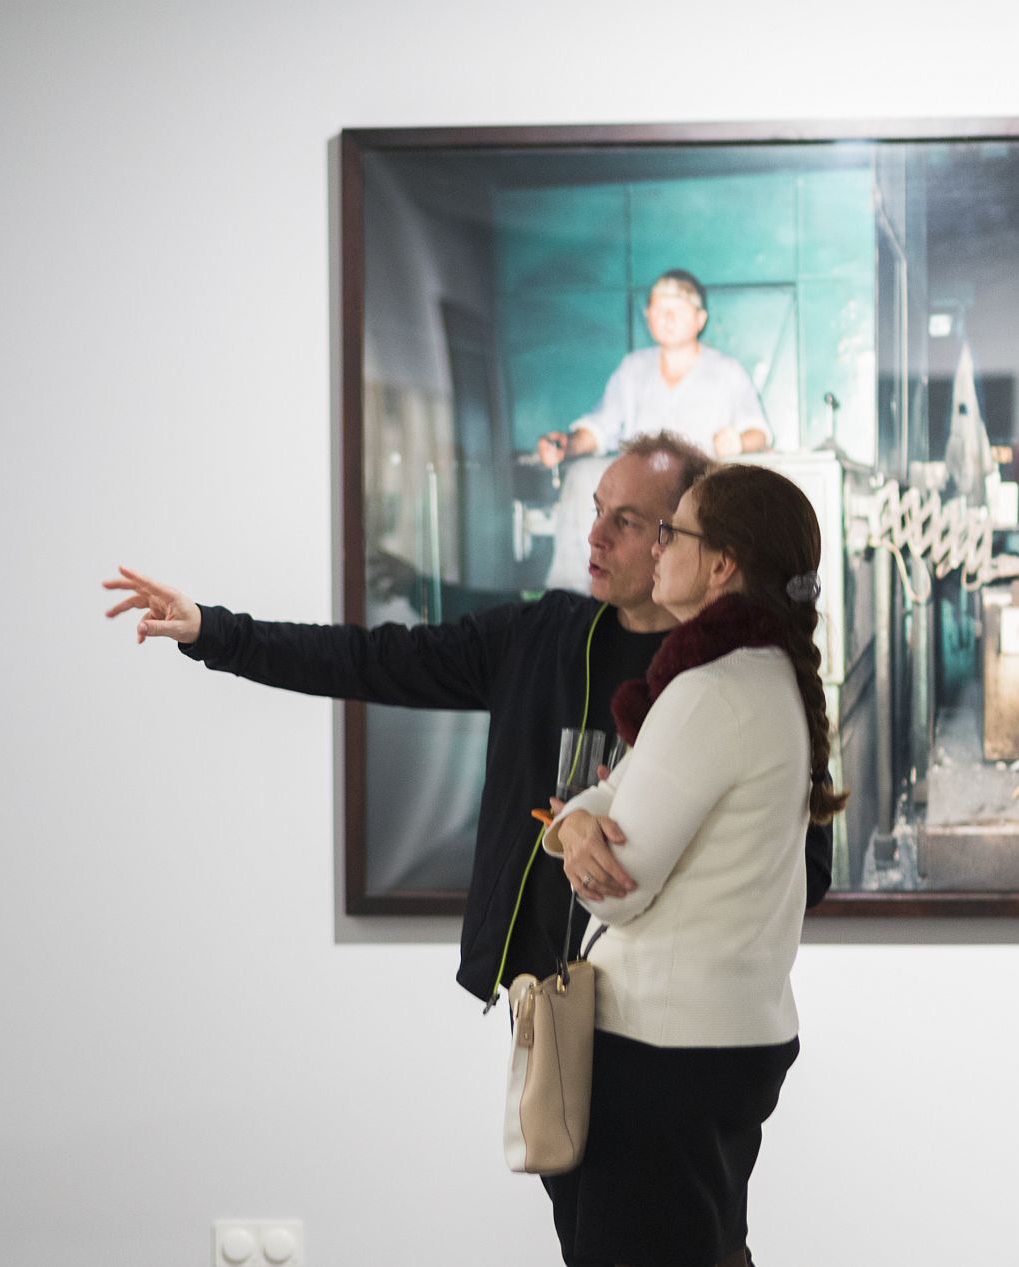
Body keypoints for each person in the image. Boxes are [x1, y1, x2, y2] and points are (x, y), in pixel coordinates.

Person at [102, 432, 832, 1007]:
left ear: (688, 543)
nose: (595, 537)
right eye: (597, 510)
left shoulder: (734, 682)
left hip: (664, 1018)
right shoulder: (543, 637)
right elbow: (370, 659)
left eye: (630, 521)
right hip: (550, 1001)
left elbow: (802, 867)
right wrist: (214, 631)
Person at [539, 463, 842, 1267]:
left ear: (722, 564)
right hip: (721, 1038)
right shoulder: (760, 674)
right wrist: (577, 825)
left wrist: (579, 832)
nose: (656, 546)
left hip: (663, 1050)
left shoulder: (710, 689)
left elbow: (620, 888)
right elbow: (606, 806)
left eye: (672, 530)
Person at [537, 270, 772, 466]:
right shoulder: (632, 369)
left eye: (678, 310)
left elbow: (758, 434)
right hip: (641, 502)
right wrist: (566, 445)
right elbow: (600, 427)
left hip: (703, 502)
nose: (668, 319)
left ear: (700, 319)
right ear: (647, 316)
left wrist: (738, 443)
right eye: (659, 311)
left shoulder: (727, 371)